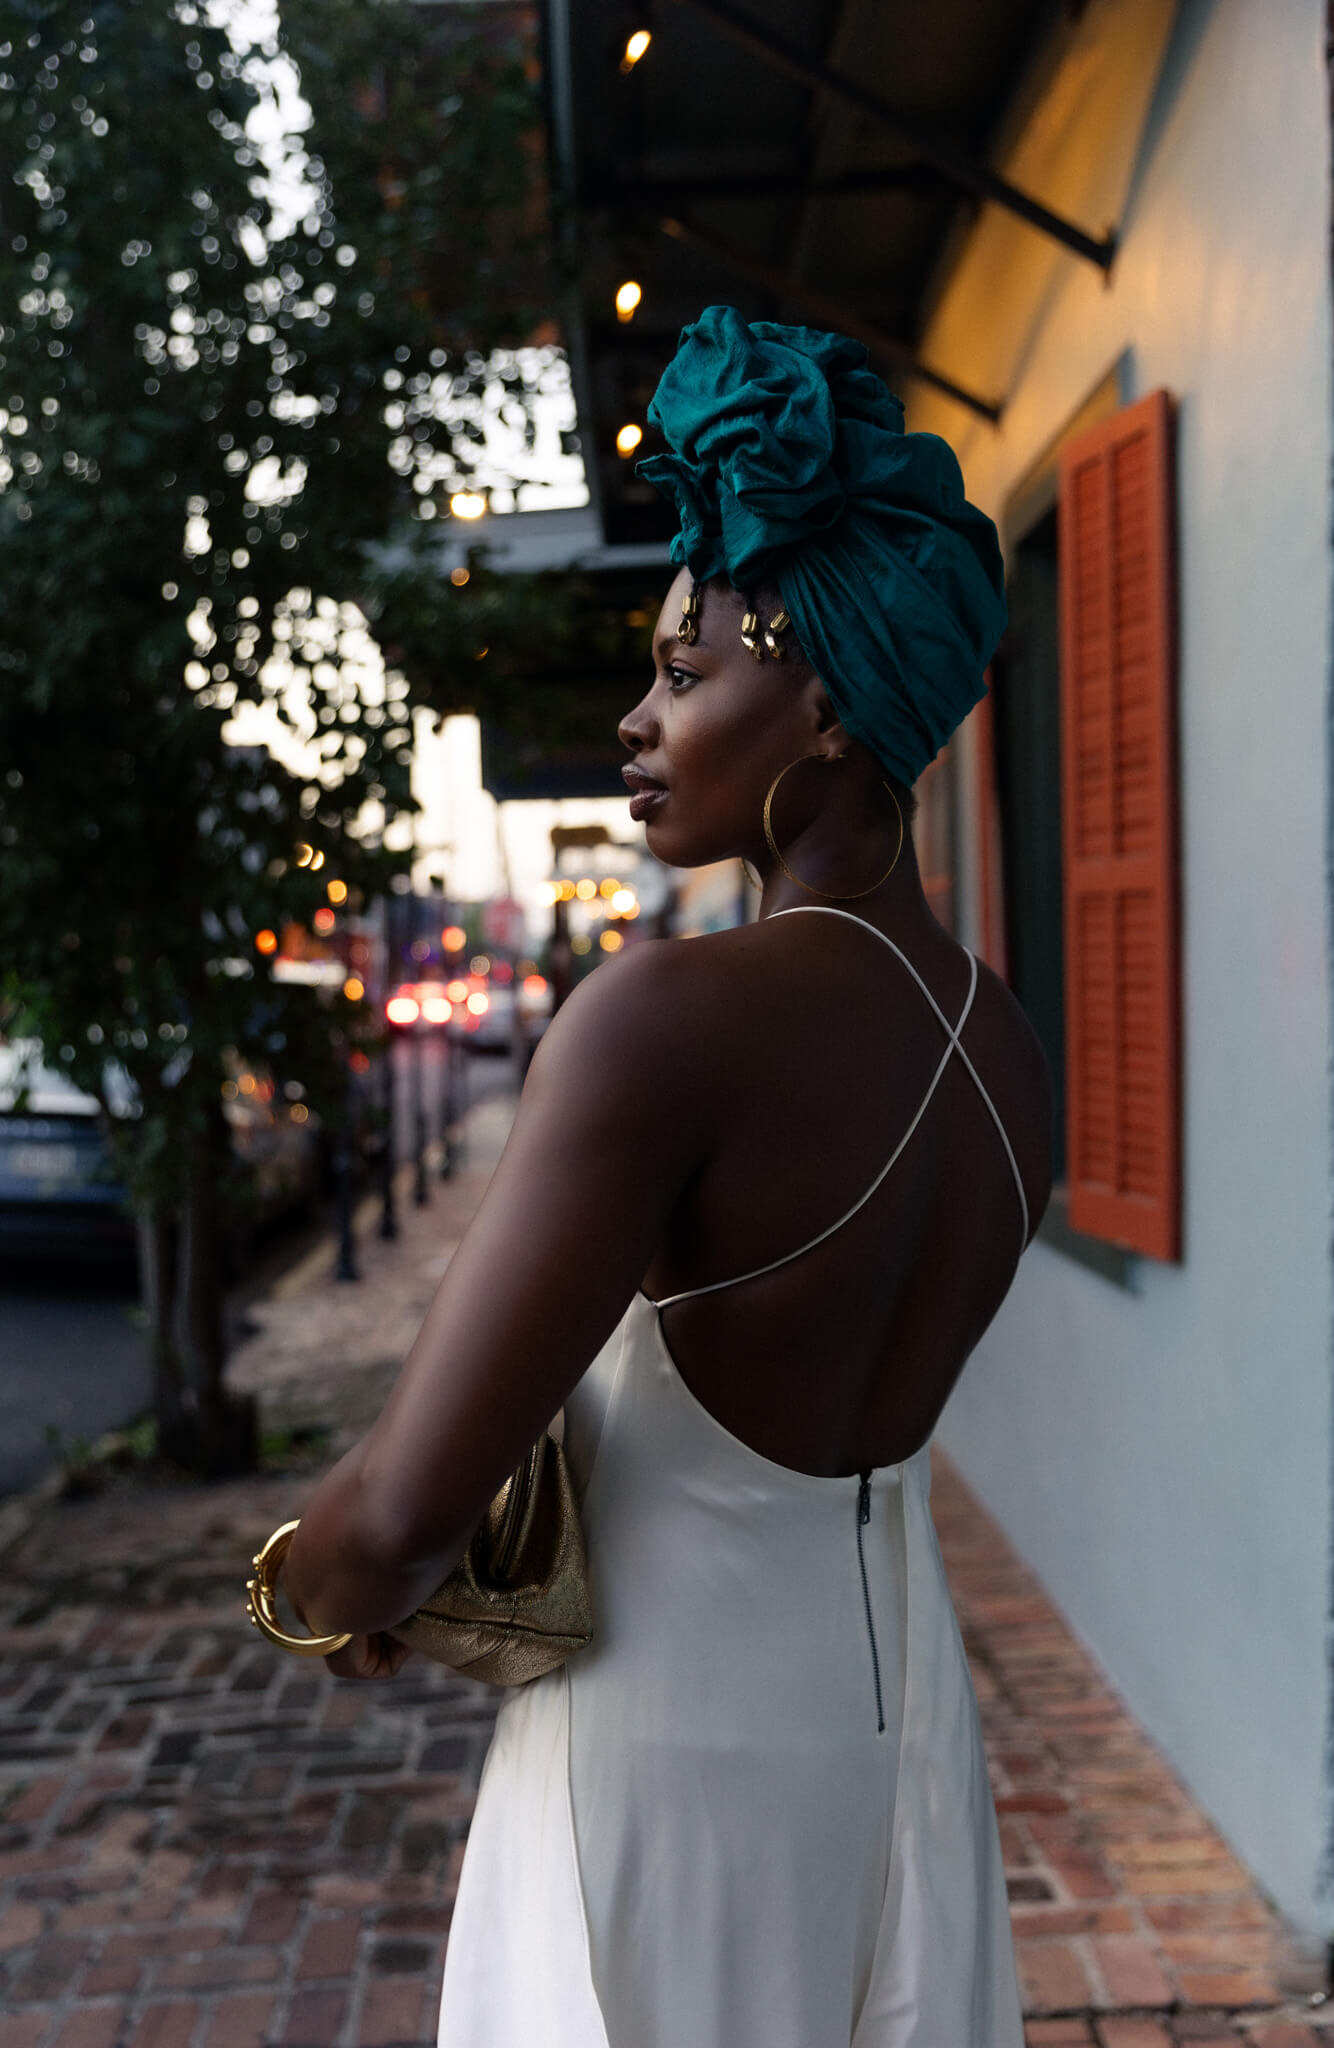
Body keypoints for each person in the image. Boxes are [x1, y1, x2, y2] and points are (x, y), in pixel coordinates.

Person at [279, 305, 1054, 2046]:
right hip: (892, 1724)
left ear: (836, 703)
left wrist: (314, 1592)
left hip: (662, 1746)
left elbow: (399, 1518)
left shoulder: (663, 1024)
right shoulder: (1012, 1055)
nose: (637, 720)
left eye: (687, 675)